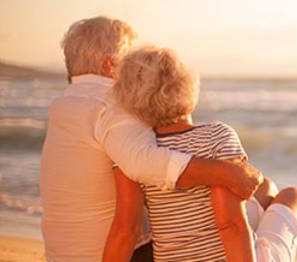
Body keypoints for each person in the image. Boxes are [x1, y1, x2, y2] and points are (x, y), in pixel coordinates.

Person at [40, 17, 263, 261]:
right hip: (113, 255)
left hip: (60, 254)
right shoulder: (111, 106)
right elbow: (142, 163)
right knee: (268, 203)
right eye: (127, 64)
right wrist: (228, 173)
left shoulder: (63, 106)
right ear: (110, 66)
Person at [103, 46, 297, 262]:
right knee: (294, 196)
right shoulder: (216, 136)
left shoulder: (135, 152)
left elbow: (126, 228)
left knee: (266, 189)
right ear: (186, 87)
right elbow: (230, 224)